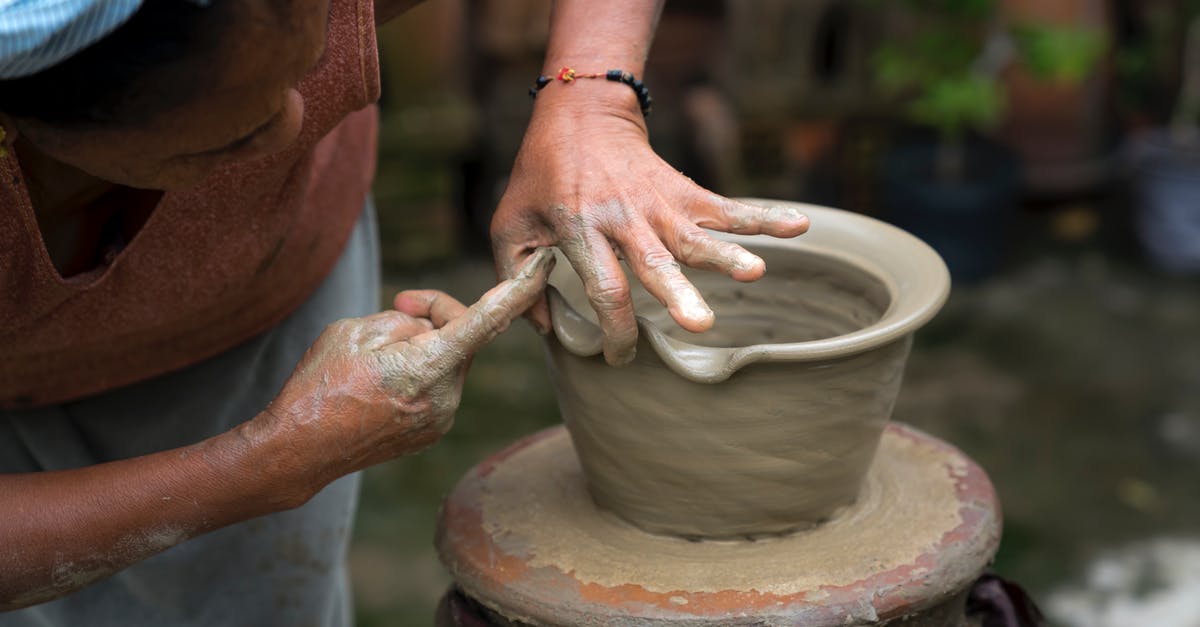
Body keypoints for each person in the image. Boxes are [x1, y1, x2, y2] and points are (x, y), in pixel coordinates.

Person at [0, 0, 808, 624]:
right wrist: (268, 461)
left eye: (309, 60)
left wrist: (592, 99)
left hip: (265, 285)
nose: (295, 122)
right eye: (230, 137)